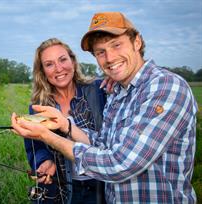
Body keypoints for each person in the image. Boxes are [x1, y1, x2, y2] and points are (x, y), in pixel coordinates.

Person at [12, 12, 198, 203]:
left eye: (116, 45)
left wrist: (46, 135)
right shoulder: (117, 93)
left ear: (137, 42)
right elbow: (103, 144)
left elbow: (120, 163)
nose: (109, 58)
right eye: (100, 52)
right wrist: (65, 125)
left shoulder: (165, 86)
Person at [24, 38, 107, 204]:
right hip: (64, 188)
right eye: (49, 64)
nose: (58, 68)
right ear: (43, 72)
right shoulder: (38, 107)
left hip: (101, 187)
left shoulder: (100, 90)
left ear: (73, 62)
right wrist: (44, 160)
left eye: (62, 60)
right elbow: (35, 148)